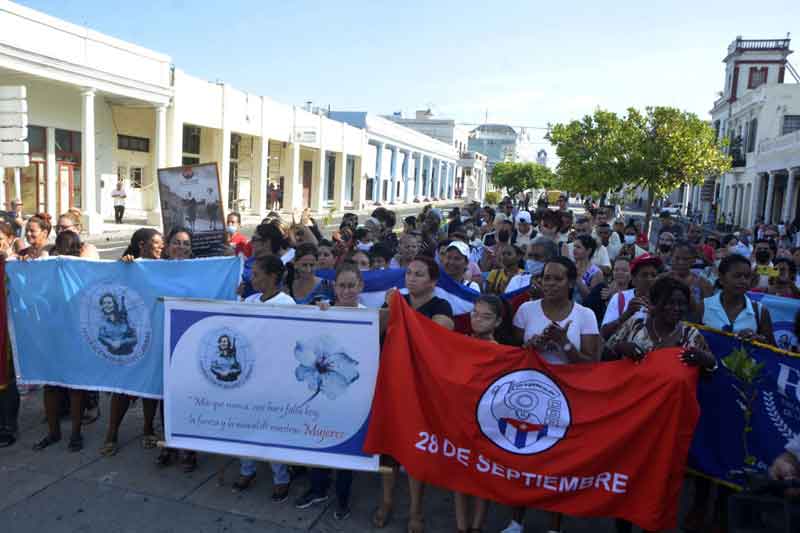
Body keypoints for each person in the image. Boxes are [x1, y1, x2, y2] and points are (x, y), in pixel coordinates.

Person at [604, 276, 716, 533]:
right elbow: (606, 354)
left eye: (681, 304)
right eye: (669, 303)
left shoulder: (690, 334)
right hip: (631, 420)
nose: (675, 309)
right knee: (628, 478)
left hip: (667, 426)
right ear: (655, 303)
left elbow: (711, 370)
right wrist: (624, 346)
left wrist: (703, 358)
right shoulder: (635, 326)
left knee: (657, 483)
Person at [507, 256, 600, 533]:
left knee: (559, 463)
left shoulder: (585, 315)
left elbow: (592, 364)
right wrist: (531, 347)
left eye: (557, 279)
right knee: (522, 457)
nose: (550, 284)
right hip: (528, 394)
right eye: (546, 277)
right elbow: (509, 355)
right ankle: (516, 521)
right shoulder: (525, 310)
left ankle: (554, 526)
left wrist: (564, 345)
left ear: (571, 282)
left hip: (567, 400)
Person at [375, 256, 454, 532]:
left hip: (420, 387)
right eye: (408, 273)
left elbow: (439, 333)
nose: (411, 278)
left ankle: (416, 510)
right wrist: (389, 307)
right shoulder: (396, 300)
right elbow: (378, 329)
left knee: (415, 449)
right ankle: (386, 501)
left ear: (433, 281)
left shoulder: (441, 306)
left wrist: (401, 309)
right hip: (391, 382)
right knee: (388, 447)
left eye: (419, 274)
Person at [295, 263, 365, 519]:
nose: (347, 290)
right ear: (334, 287)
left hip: (349, 394)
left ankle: (343, 498)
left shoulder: (370, 316)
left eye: (352, 285)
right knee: (317, 440)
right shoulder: (324, 312)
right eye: (342, 285)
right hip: (321, 392)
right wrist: (320, 314)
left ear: (361, 286)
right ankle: (318, 489)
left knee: (345, 445)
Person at [236, 255, 296, 501]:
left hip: (274, 375)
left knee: (271, 425)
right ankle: (246, 469)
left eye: (257, 274)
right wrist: (237, 298)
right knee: (245, 423)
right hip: (248, 374)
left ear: (272, 276)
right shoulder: (249, 300)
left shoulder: (287, 303)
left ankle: (280, 475)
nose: (252, 278)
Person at [101, 229, 164, 457]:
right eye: (156, 243)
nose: (161, 247)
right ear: (141, 244)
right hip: (130, 336)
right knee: (123, 386)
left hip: (155, 333)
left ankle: (148, 428)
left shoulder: (164, 266)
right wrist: (123, 266)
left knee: (149, 386)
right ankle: (112, 433)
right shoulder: (128, 266)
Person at [30, 230, 90, 453]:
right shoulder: (47, 266)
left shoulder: (82, 267)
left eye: (68, 246)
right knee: (56, 385)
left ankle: (70, 432)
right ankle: (61, 432)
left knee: (67, 386)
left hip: (71, 332)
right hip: (55, 331)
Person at [454, 295, 504, 533]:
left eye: (486, 316)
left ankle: (476, 528)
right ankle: (462, 527)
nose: (478, 320)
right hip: (460, 418)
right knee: (460, 477)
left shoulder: (502, 353)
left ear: (498, 322)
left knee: (482, 477)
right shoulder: (459, 342)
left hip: (486, 423)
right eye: (475, 313)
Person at [601, 254, 661, 339]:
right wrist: (627, 314)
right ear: (633, 279)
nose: (650, 279)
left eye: (654, 275)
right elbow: (604, 334)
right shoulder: (619, 298)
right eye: (644, 275)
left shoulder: (663, 300)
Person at [669, 240, 714, 322]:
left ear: (694, 260)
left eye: (685, 259)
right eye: (677, 258)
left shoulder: (704, 284)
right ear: (671, 257)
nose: (681, 262)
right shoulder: (662, 279)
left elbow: (705, 315)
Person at [572, 234, 603, 303]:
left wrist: (578, 279)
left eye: (578, 247)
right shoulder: (570, 266)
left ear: (588, 251)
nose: (574, 249)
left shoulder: (596, 273)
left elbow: (591, 299)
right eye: (574, 246)